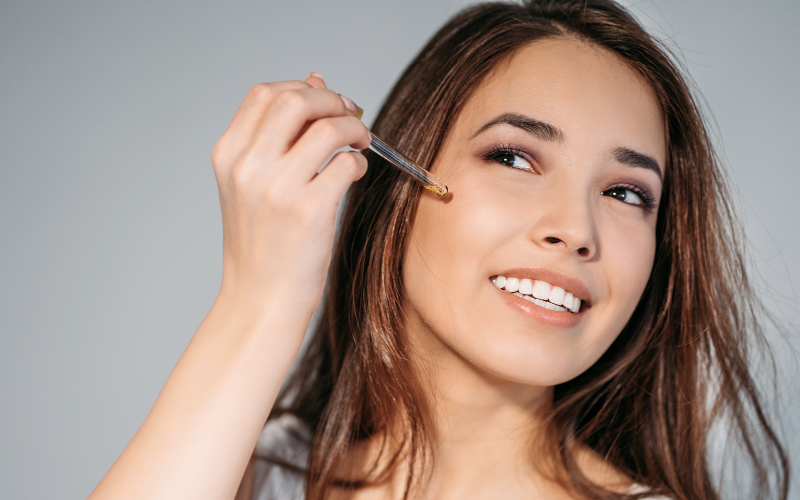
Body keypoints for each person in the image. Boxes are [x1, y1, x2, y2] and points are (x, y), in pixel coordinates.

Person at [88, 1, 791, 499]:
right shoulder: (257, 472)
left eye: (628, 194)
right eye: (515, 157)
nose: (576, 229)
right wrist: (260, 303)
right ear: (400, 186)